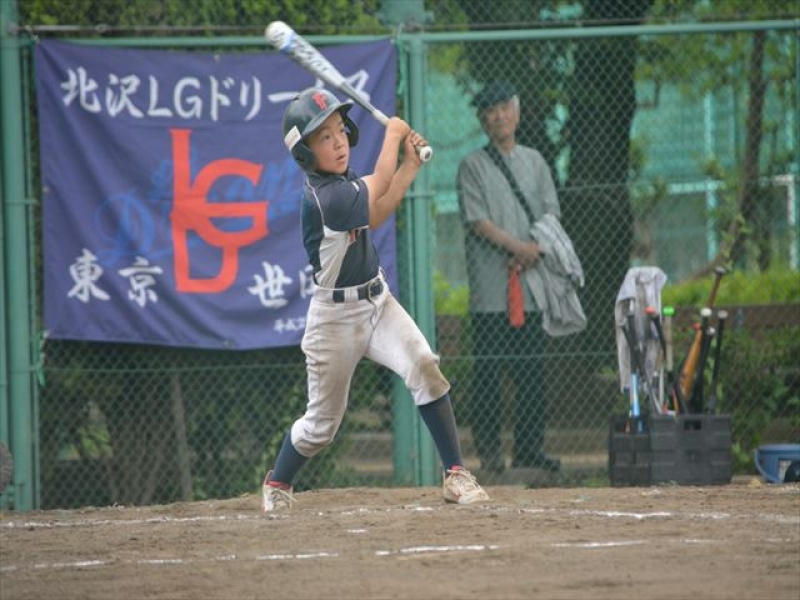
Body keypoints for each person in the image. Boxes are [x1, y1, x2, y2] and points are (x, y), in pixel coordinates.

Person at [261, 88, 490, 511]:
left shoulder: (342, 183)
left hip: (377, 302)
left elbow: (377, 212)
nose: (338, 142)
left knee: (424, 364)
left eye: (339, 130)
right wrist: (395, 134)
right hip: (334, 319)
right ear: (305, 154)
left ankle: (456, 473)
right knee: (321, 427)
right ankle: (278, 482)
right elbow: (379, 183)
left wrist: (409, 165)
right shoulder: (324, 197)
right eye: (324, 137)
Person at [456, 81, 562, 475]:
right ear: (482, 120)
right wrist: (518, 248)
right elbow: (477, 221)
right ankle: (489, 454)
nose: (498, 116)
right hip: (491, 290)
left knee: (532, 371)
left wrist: (536, 247)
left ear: (516, 113)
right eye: (490, 110)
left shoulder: (536, 161)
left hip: (531, 287)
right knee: (488, 373)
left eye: (504, 107)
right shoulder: (472, 166)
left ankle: (530, 450)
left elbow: (552, 212)